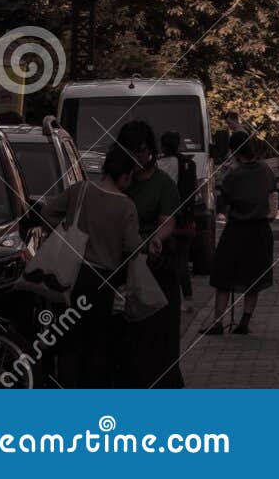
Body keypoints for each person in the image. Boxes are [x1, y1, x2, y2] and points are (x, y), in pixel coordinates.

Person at [41, 141, 140, 387]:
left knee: (68, 342)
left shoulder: (80, 190)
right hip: (102, 281)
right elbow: (133, 246)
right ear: (126, 175)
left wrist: (62, 233)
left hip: (70, 276)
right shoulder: (126, 205)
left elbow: (48, 213)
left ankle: (66, 392)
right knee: (97, 344)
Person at [116, 119, 184, 388]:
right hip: (119, 265)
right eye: (131, 150)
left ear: (151, 150)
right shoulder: (119, 179)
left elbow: (168, 221)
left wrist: (155, 240)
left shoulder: (163, 184)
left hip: (153, 268)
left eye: (142, 150)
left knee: (157, 336)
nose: (137, 156)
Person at [205, 132, 278, 337]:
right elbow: (272, 193)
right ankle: (244, 322)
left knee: (223, 276)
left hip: (237, 230)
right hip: (261, 230)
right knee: (254, 277)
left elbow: (224, 200)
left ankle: (218, 322)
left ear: (235, 151)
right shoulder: (266, 170)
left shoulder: (233, 176)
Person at [158, 130, 196, 308]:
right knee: (182, 260)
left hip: (162, 220)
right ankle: (187, 299)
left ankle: (164, 297)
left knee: (161, 261)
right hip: (183, 220)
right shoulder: (188, 164)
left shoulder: (157, 166)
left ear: (163, 146)